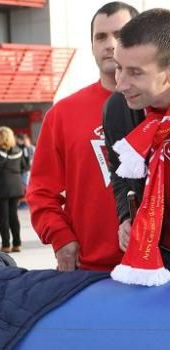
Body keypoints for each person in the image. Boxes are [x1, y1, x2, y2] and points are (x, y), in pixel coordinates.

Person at [28, 2, 138, 272]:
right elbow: (41, 193)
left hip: (157, 269)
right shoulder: (61, 114)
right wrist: (60, 238)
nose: (110, 44)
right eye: (101, 37)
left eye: (120, 35)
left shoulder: (161, 109)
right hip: (89, 273)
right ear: (91, 45)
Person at [106, 8, 170, 283]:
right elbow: (119, 173)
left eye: (135, 73)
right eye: (119, 67)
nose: (120, 84)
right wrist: (125, 216)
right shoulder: (118, 109)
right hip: (155, 255)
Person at [0, 126, 29, 253]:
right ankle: (17, 243)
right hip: (16, 187)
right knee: (13, 215)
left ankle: (5, 245)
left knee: (3, 217)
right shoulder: (18, 151)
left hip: (0, 188)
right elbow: (25, 167)